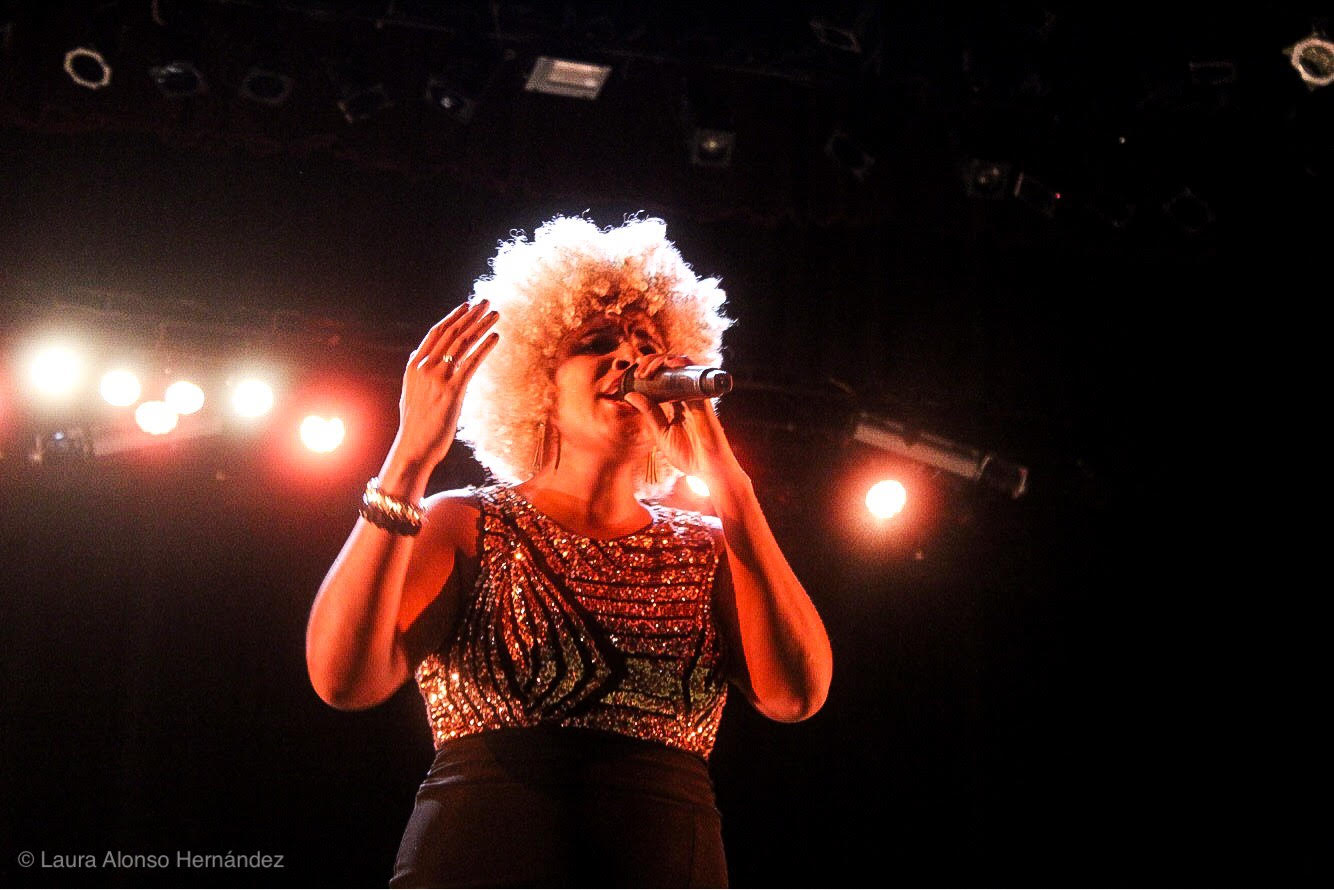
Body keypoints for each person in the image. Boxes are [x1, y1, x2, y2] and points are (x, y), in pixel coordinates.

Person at [305, 215, 833, 887]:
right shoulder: (466, 522)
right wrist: (408, 459)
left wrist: (728, 484)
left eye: (648, 345)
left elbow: (797, 695)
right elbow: (344, 680)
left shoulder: (710, 546)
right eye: (598, 343)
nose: (628, 360)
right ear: (540, 385)